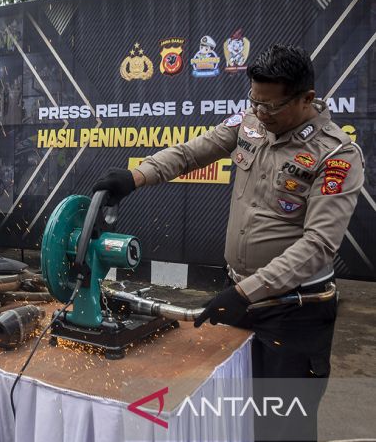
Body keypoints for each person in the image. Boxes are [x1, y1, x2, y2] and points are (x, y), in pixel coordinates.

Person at [92, 45, 364, 441]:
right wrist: (135, 177)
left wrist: (245, 292)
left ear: (306, 98)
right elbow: (190, 153)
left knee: (283, 428)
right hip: (240, 297)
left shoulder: (336, 154)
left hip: (295, 312)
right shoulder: (251, 122)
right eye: (254, 102)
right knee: (232, 418)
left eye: (271, 107)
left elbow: (319, 245)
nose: (261, 113)